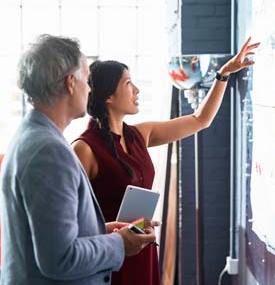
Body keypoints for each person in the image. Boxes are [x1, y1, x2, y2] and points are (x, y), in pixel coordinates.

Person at [72, 37, 260, 285]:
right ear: (108, 97)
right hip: (111, 255)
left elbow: (199, 120)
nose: (137, 90)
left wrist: (223, 75)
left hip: (143, 248)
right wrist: (110, 232)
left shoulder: (140, 134)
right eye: (128, 83)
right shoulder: (84, 149)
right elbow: (71, 221)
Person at [0, 34, 157, 285]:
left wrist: (100, 232)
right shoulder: (48, 152)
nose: (90, 89)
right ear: (70, 83)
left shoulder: (35, 135)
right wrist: (119, 243)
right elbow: (59, 258)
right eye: (86, 79)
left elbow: (50, 237)